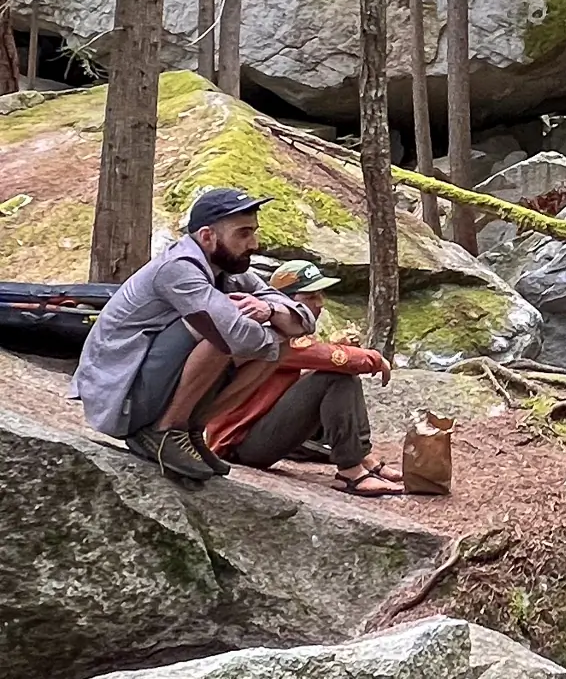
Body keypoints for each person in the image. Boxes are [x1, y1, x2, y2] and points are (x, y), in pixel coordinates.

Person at [69, 186, 313, 483]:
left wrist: (270, 312)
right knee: (215, 330)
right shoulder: (179, 268)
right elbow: (234, 333)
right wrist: (275, 334)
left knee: (277, 346)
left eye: (254, 232)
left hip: (152, 382)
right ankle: (164, 431)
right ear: (208, 236)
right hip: (122, 396)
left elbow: (304, 321)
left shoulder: (229, 268)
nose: (254, 243)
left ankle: (190, 430)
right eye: (244, 233)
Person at [202, 260, 405, 495]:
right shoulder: (269, 331)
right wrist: (374, 359)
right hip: (239, 445)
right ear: (284, 302)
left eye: (320, 295)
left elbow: (307, 361)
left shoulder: (282, 329)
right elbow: (329, 357)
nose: (319, 304)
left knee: (333, 377)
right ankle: (351, 473)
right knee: (336, 378)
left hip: (260, 427)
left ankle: (364, 459)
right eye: (310, 297)